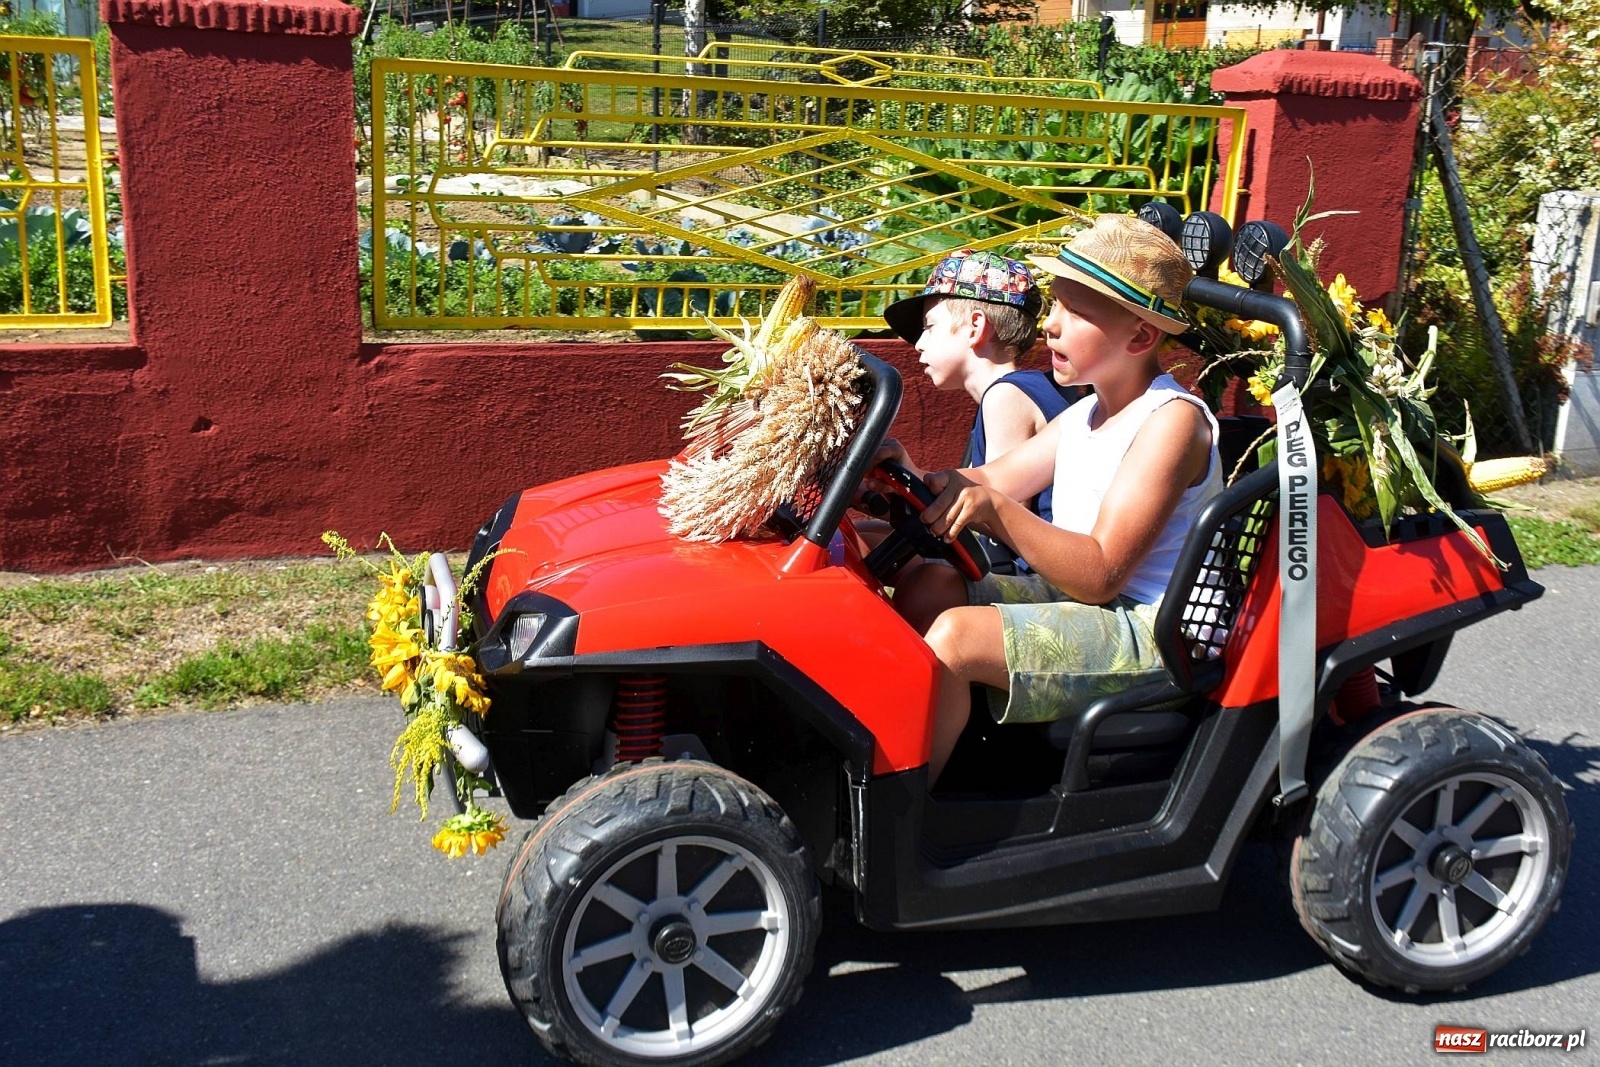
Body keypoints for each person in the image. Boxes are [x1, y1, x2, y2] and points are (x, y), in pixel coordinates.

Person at [886, 214, 1222, 786]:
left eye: (1074, 312)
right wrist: (901, 471)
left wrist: (997, 514)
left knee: (955, 640)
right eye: (1055, 307)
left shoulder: (1172, 423)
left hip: (1155, 634)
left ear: (1140, 337)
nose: (1052, 327)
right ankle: (953, 766)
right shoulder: (1087, 411)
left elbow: (1100, 574)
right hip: (1088, 603)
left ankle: (901, 822)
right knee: (928, 586)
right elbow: (991, 481)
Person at [881, 248, 1083, 570]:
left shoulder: (1006, 396)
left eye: (929, 327)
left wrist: (912, 477)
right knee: (869, 535)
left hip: (1037, 575)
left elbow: (1002, 522)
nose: (917, 343)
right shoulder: (1017, 390)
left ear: (975, 327)